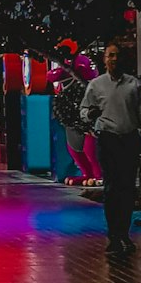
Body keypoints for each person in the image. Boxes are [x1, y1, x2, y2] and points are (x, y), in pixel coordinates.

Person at [80, 43, 141, 259]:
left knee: (127, 187)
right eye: (110, 56)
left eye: (117, 56)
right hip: (108, 139)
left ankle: (124, 233)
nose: (114, 59)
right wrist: (89, 115)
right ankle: (114, 236)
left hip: (128, 139)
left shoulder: (134, 85)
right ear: (104, 60)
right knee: (112, 188)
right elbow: (84, 109)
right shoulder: (96, 85)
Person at [48, 40, 101, 187]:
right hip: (70, 121)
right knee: (73, 148)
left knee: (89, 148)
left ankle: (98, 175)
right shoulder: (65, 88)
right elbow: (52, 76)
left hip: (86, 121)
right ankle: (87, 174)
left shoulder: (82, 69)